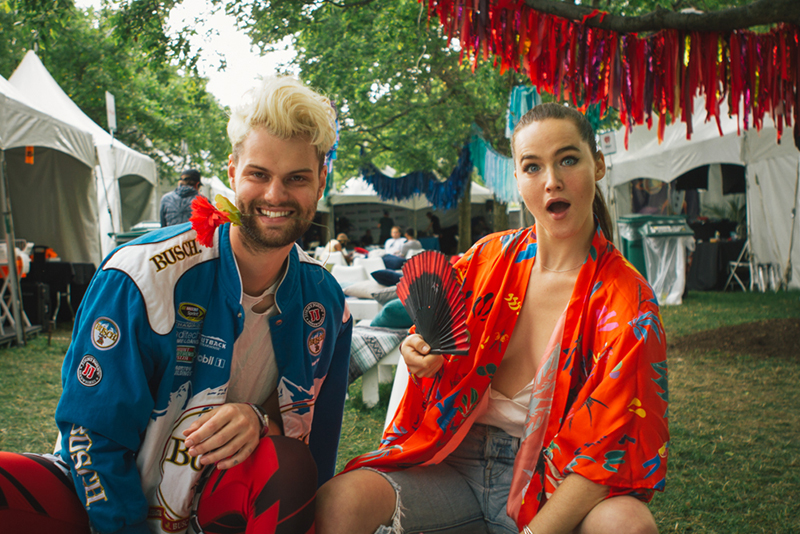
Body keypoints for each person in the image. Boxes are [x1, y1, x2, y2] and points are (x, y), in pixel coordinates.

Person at [0, 76, 353, 534]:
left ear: (321, 180)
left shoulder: (326, 302)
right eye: (259, 174)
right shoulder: (141, 273)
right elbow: (92, 435)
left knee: (289, 465)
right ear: (232, 172)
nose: (274, 196)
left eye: (297, 178)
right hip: (100, 502)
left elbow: (315, 454)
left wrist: (259, 419)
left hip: (215, 507)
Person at [317, 103, 669, 534]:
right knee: (340, 502)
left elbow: (608, 452)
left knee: (628, 525)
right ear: (517, 179)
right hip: (454, 466)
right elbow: (428, 340)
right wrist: (419, 353)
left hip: (556, 481)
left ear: (597, 165)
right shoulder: (486, 260)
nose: (552, 181)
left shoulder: (627, 302)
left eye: (568, 160)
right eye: (533, 167)